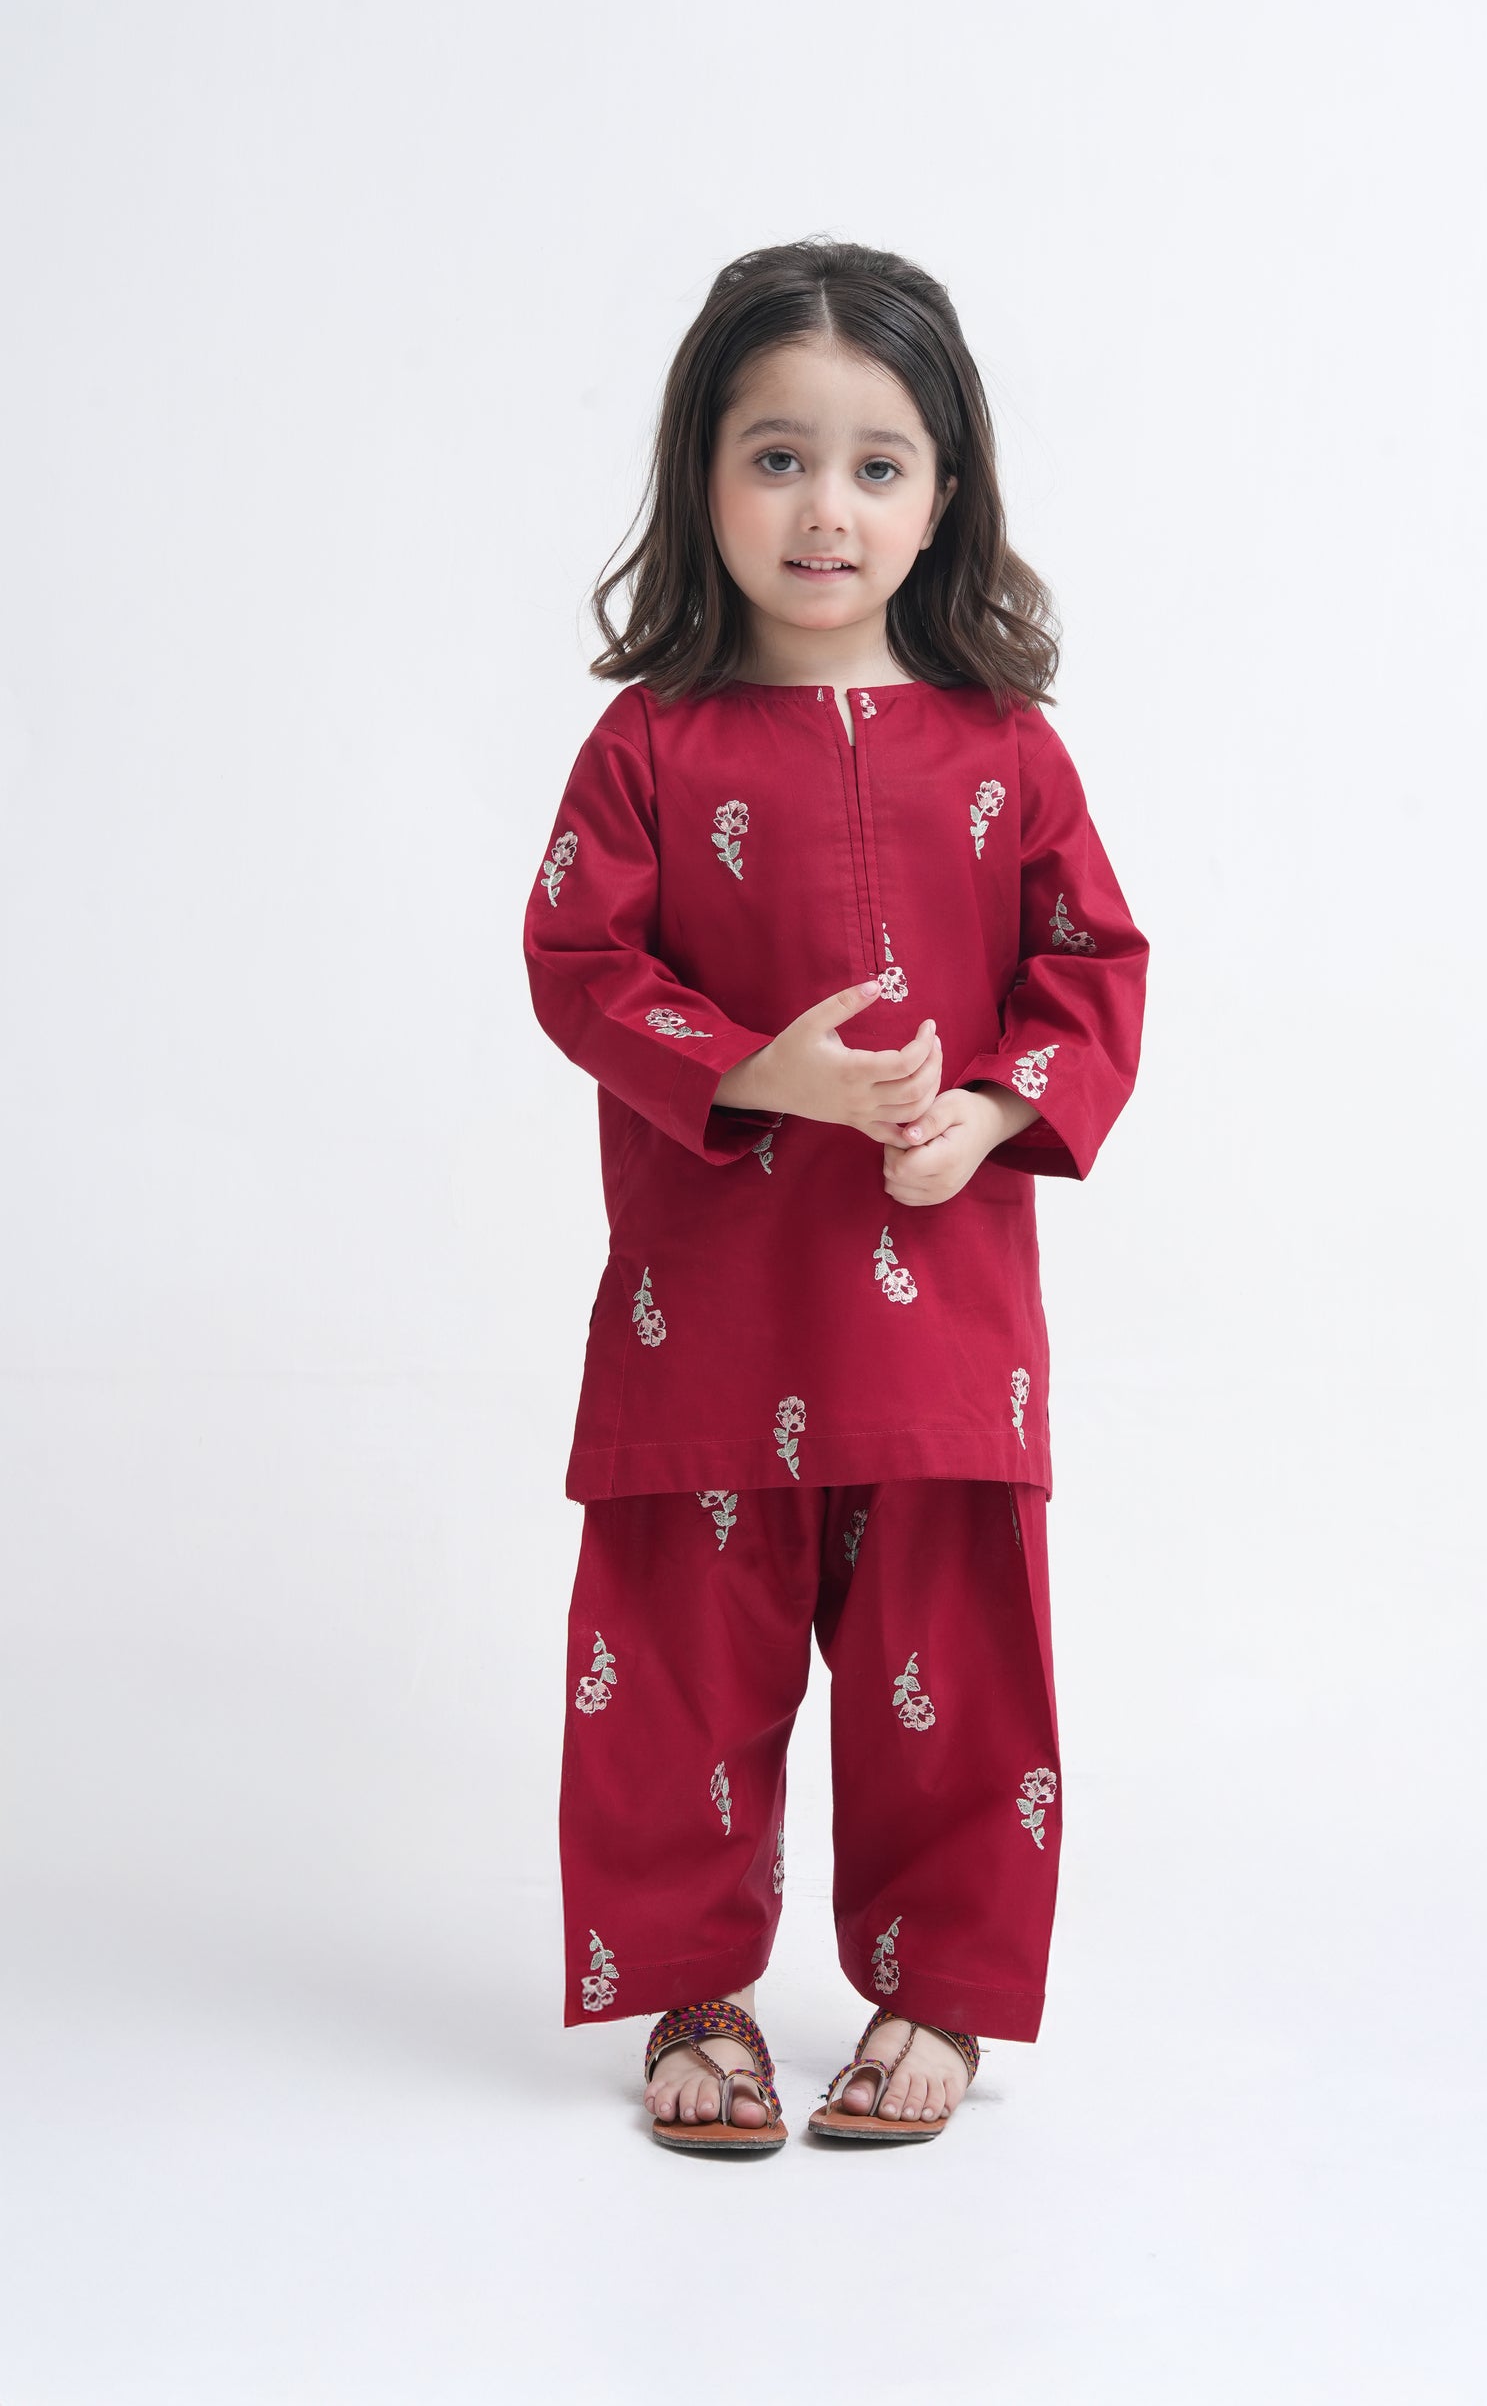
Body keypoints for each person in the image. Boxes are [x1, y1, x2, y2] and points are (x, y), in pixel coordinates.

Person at [522, 236, 1149, 2154]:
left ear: (944, 494)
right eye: (777, 458)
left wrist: (995, 1109)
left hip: (943, 1333)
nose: (826, 510)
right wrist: (751, 1070)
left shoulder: (1007, 747)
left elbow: (1094, 971)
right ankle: (691, 1995)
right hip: (704, 1322)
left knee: (953, 1674)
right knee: (675, 1674)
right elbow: (575, 962)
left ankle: (935, 1997)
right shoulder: (650, 744)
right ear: (702, 477)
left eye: (878, 466)